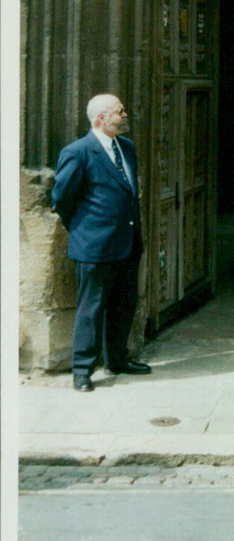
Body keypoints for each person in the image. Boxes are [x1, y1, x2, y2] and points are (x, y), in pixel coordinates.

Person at [50, 94, 151, 392]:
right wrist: (83, 231)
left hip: (128, 242)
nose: (124, 114)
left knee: (123, 304)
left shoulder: (127, 148)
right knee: (90, 309)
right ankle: (82, 369)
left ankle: (117, 358)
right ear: (100, 119)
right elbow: (61, 199)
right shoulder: (78, 152)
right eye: (119, 111)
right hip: (94, 245)